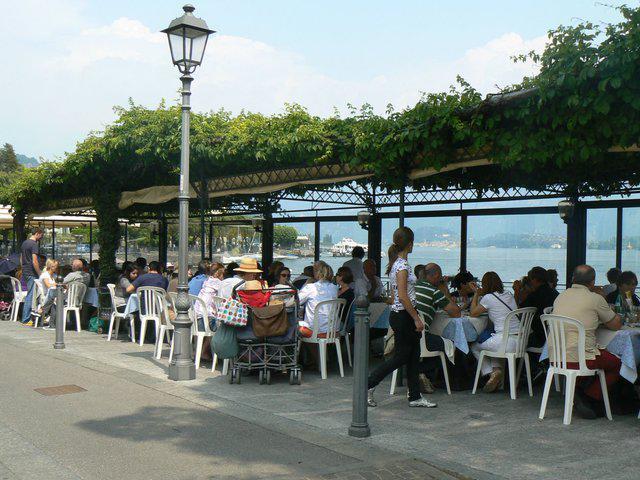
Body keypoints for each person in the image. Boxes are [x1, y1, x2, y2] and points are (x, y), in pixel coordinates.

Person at [367, 227, 437, 408]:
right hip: (405, 315)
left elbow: (394, 295)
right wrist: (416, 318)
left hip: (399, 314)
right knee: (402, 356)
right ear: (410, 244)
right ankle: (369, 383)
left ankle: (414, 396)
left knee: (414, 355)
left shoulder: (395, 264)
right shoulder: (403, 266)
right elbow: (403, 296)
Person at [552, 265, 622, 419]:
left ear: (572, 279)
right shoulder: (595, 298)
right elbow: (616, 325)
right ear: (592, 281)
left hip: (558, 357)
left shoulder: (560, 296)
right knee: (619, 363)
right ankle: (590, 396)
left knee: (594, 354)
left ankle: (577, 391)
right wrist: (603, 296)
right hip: (582, 357)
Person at [415, 263, 462, 393]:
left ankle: (424, 376)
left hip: (403, 335)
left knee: (436, 345)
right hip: (420, 337)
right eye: (440, 277)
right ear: (436, 275)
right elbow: (456, 312)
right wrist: (444, 289)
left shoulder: (412, 287)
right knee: (451, 345)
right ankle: (419, 371)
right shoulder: (434, 291)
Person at [469, 271, 518, 393]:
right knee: (493, 344)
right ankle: (496, 372)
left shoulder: (488, 298)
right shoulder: (509, 295)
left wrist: (476, 294)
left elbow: (473, 312)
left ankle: (492, 373)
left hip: (505, 342)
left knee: (475, 346)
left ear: (485, 285)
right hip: (520, 342)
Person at [518, 266, 559, 348]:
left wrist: (518, 292)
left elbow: (521, 313)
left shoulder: (535, 296)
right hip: (554, 334)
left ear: (534, 280)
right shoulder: (555, 293)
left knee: (518, 341)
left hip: (540, 337)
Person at [298, 261, 339, 336]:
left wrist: (307, 283)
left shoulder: (310, 287)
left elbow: (296, 301)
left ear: (316, 273)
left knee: (294, 324)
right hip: (333, 331)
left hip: (315, 332)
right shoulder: (335, 288)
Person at [20, 226, 44, 324]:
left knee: (30, 294)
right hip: (32, 272)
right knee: (31, 295)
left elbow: (21, 258)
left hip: (25, 271)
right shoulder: (34, 244)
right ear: (37, 233)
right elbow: (34, 261)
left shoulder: (24, 243)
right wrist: (40, 273)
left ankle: (29, 317)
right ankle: (26, 318)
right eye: (41, 235)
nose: (41, 237)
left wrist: (23, 268)